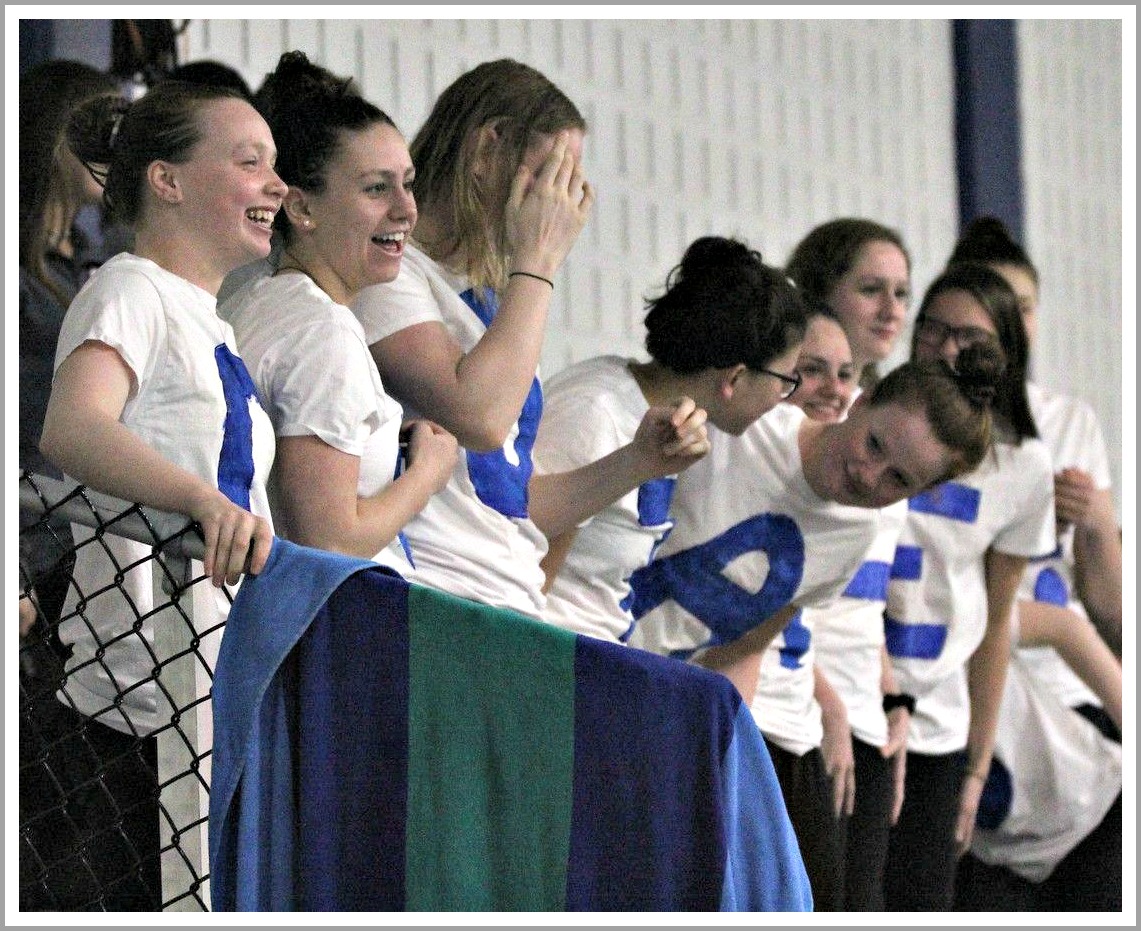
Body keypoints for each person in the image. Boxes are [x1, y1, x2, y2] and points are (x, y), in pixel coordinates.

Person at [34, 79, 285, 909]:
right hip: (128, 707)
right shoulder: (128, 289)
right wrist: (200, 502)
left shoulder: (213, 321)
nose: (276, 187)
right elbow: (73, 428)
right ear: (167, 180)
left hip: (200, 698)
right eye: (249, 163)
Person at [352, 59, 707, 619]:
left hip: (506, 596)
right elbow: (481, 416)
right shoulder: (388, 275)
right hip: (431, 590)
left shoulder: (495, 300)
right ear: (488, 149)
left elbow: (514, 505)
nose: (561, 202)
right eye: (552, 175)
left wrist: (637, 461)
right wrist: (538, 263)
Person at [626, 335, 1006, 715]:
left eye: (899, 480)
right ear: (860, 401)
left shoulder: (855, 534)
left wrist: (718, 740)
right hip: (587, 639)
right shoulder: (748, 425)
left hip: (651, 695)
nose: (869, 477)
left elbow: (745, 646)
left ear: (924, 490)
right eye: (874, 444)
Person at [221, 51, 457, 572]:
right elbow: (328, 542)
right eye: (377, 188)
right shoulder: (322, 332)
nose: (405, 208)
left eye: (408, 183)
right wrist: (426, 474)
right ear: (301, 208)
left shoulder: (262, 300)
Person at [946, 217, 1122, 911]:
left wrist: (1097, 524)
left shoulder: (1068, 419)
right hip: (985, 695)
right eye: (999, 309)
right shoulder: (941, 427)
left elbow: (1103, 604)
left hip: (1074, 696)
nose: (1016, 323)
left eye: (1025, 307)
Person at [881, 261, 1056, 911]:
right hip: (857, 699)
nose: (948, 349)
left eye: (971, 338)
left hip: (937, 726)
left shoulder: (1022, 466)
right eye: (932, 330)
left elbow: (996, 625)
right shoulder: (876, 414)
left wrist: (976, 766)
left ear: (1005, 353)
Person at [532, 236, 807, 644]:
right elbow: (531, 574)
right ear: (734, 377)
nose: (785, 398)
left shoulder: (662, 413)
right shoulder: (597, 411)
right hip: (552, 656)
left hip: (598, 653)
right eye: (786, 380)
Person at [760, 306, 912, 911]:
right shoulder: (749, 453)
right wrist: (829, 701)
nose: (834, 389)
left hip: (838, 712)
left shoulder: (861, 490)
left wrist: (891, 693)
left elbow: (858, 608)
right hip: (787, 712)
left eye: (846, 373)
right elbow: (763, 622)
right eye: (813, 370)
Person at [19, 60, 121, 648]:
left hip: (76, 548)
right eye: (100, 129)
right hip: (30, 541)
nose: (116, 148)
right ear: (53, 135)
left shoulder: (90, 260)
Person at [785, 217, 912, 390]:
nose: (892, 312)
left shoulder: (881, 405)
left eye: (900, 293)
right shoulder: (769, 408)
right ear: (818, 292)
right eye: (871, 289)